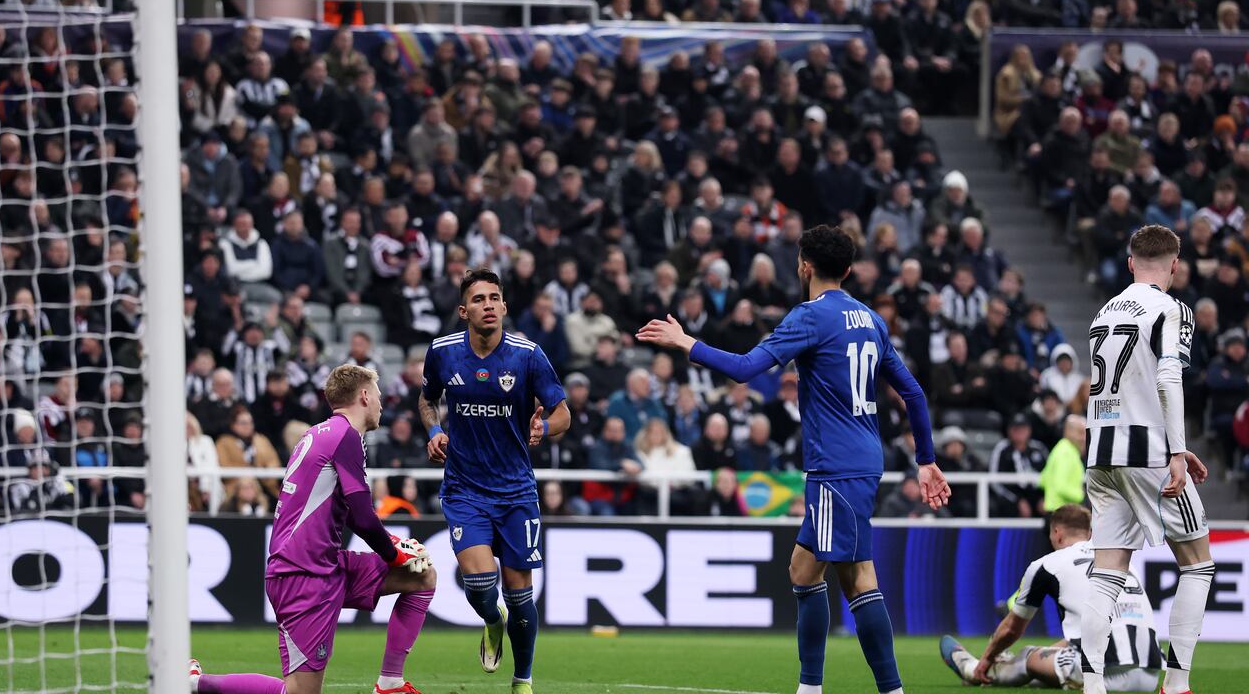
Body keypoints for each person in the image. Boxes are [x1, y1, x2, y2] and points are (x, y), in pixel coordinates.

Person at [638, 224, 947, 694]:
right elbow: (914, 393)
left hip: (835, 465)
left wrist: (687, 343)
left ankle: (861, 688)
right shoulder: (871, 319)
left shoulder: (810, 317)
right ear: (846, 269)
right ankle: (831, 688)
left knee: (851, 575)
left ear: (804, 265)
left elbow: (744, 369)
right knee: (816, 571)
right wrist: (926, 459)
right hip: (863, 456)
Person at [190, 364, 437, 694]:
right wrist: (392, 553)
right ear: (364, 396)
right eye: (377, 395)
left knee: (422, 576)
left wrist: (394, 544)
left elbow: (348, 511)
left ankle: (390, 682)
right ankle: (194, 684)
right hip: (302, 576)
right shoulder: (345, 437)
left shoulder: (321, 433)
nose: (381, 403)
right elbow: (363, 516)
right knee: (298, 693)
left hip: (325, 566)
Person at [418, 268, 570, 694]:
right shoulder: (443, 352)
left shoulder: (528, 355)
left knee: (522, 596)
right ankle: (490, 621)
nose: (488, 305)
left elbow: (563, 413)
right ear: (464, 310)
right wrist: (434, 432)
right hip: (465, 488)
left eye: (494, 298)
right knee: (483, 589)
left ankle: (522, 680)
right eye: (479, 299)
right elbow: (427, 400)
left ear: (504, 306)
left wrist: (545, 428)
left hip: (516, 490)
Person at [1079, 225, 1211, 694]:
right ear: (1174, 265)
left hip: (1100, 451)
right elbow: (1167, 378)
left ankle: (1091, 684)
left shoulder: (1103, 311)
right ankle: (1176, 684)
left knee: (1108, 568)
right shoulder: (1171, 309)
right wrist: (1176, 449)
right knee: (1197, 563)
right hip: (1147, 451)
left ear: (1130, 262)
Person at [940, 505, 1162, 692]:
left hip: (1103, 672)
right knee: (1048, 663)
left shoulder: (1047, 564)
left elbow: (1012, 629)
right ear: (1090, 533)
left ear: (1056, 532)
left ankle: (976, 670)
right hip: (1150, 675)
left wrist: (988, 657)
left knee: (1028, 655)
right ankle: (1034, 673)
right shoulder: (1124, 563)